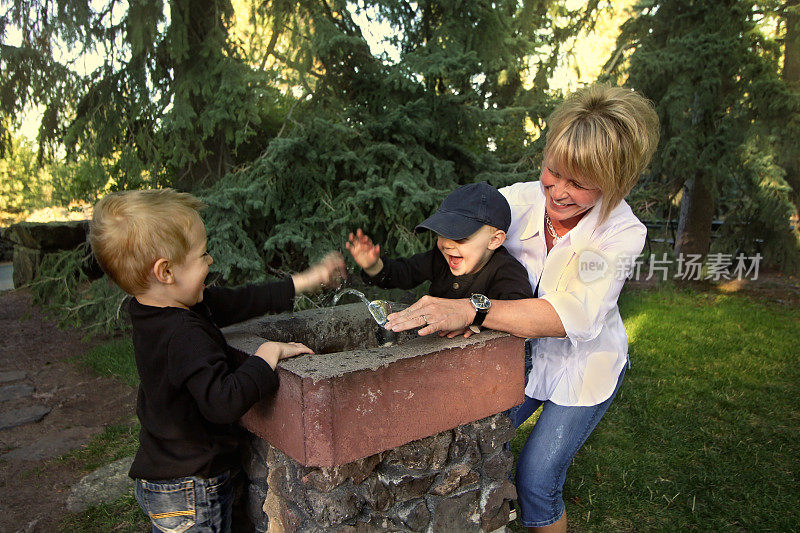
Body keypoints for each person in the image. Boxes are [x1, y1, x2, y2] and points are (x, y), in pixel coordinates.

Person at [384, 84, 660, 532]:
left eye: (580, 183)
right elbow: (464, 251)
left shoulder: (622, 232)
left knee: (536, 480)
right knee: (472, 441)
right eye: (554, 171)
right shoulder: (516, 202)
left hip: (584, 369)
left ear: (613, 182)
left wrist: (470, 311)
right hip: (519, 357)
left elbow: (572, 316)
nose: (559, 191)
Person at [89, 188, 345, 533]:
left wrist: (307, 280)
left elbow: (240, 301)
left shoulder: (157, 309)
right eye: (202, 254)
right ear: (165, 271)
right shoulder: (183, 334)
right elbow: (222, 402)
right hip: (190, 490)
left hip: (167, 477)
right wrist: (265, 356)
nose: (210, 261)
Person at [346, 181, 533, 323]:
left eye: (460, 235)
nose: (446, 244)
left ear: (494, 240)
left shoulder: (507, 272)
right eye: (441, 233)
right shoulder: (440, 259)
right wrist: (374, 266)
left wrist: (476, 321)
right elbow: (404, 273)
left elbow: (521, 316)